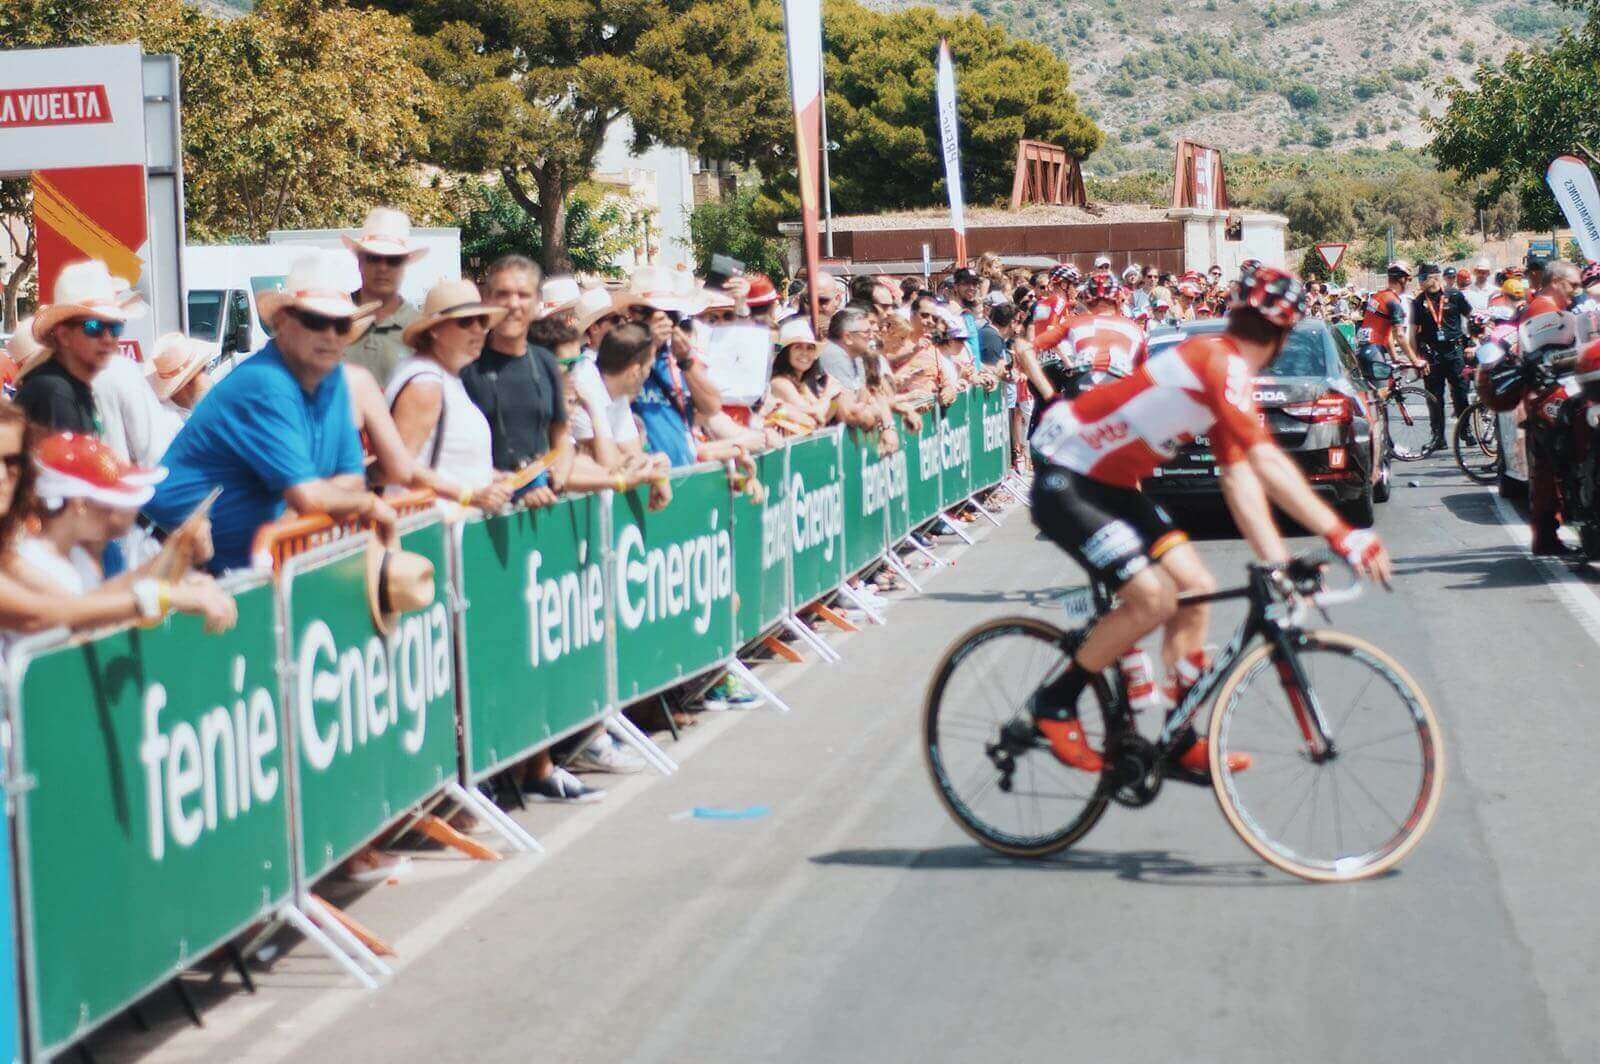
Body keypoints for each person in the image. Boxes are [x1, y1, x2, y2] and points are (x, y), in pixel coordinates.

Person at [1026, 265, 1391, 780]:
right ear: (1284, 336)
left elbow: (1239, 478)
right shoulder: (1216, 362)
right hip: (1068, 477)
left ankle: (1178, 738)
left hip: (1113, 484)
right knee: (1154, 597)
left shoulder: (1224, 367)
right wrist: (1343, 534)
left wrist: (1277, 562)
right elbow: (1265, 462)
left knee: (1195, 588)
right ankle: (1054, 704)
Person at [142, 250, 398, 572]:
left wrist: (329, 495)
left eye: (341, 324)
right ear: (282, 322)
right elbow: (311, 495)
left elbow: (347, 478)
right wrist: (367, 504)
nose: (330, 335)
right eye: (316, 320)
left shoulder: (327, 380)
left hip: (230, 565)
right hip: (175, 561)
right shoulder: (266, 383)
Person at [386, 279, 514, 511]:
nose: (477, 329)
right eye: (465, 321)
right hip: (428, 530)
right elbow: (400, 467)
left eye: (482, 320)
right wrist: (468, 495)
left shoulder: (442, 376)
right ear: (435, 330)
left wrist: (490, 477)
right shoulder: (425, 382)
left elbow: (446, 461)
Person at [459, 255, 567, 503]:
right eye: (503, 294)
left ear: (538, 302)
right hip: (485, 510)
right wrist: (516, 487)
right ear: (486, 299)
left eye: (523, 294)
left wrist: (560, 472)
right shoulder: (466, 366)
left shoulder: (546, 362)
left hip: (544, 506)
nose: (513, 304)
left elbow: (561, 434)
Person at [15, 260, 145, 435]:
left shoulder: (73, 386)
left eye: (115, 327)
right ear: (64, 335)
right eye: (94, 327)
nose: (108, 339)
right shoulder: (56, 393)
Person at [340, 208, 427, 386]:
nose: (383, 268)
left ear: (405, 266)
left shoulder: (419, 329)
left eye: (393, 260)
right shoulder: (332, 317)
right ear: (359, 261)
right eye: (374, 258)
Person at [1033, 274, 1147, 392]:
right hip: (1118, 387)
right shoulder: (1134, 328)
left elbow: (1031, 346)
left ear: (1087, 300)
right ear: (1118, 300)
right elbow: (1142, 372)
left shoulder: (1076, 322)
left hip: (1082, 384)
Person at [1410, 264, 1474, 448]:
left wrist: (1471, 343)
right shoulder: (1418, 302)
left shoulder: (1454, 295)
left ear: (1434, 278)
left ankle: (1465, 430)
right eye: (1419, 279)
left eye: (1423, 278)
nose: (1420, 282)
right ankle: (1438, 436)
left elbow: (1471, 317)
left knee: (1461, 392)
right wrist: (1417, 359)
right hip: (1433, 354)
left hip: (1454, 351)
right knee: (1434, 397)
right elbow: (1413, 333)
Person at [1358, 261, 1416, 376]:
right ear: (1402, 280)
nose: (1408, 284)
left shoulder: (1378, 296)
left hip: (1365, 348)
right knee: (1383, 390)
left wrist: (1394, 356)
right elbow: (1399, 335)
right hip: (1374, 350)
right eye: (1408, 280)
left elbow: (1386, 331)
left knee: (1382, 388)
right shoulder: (1393, 301)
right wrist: (1415, 360)